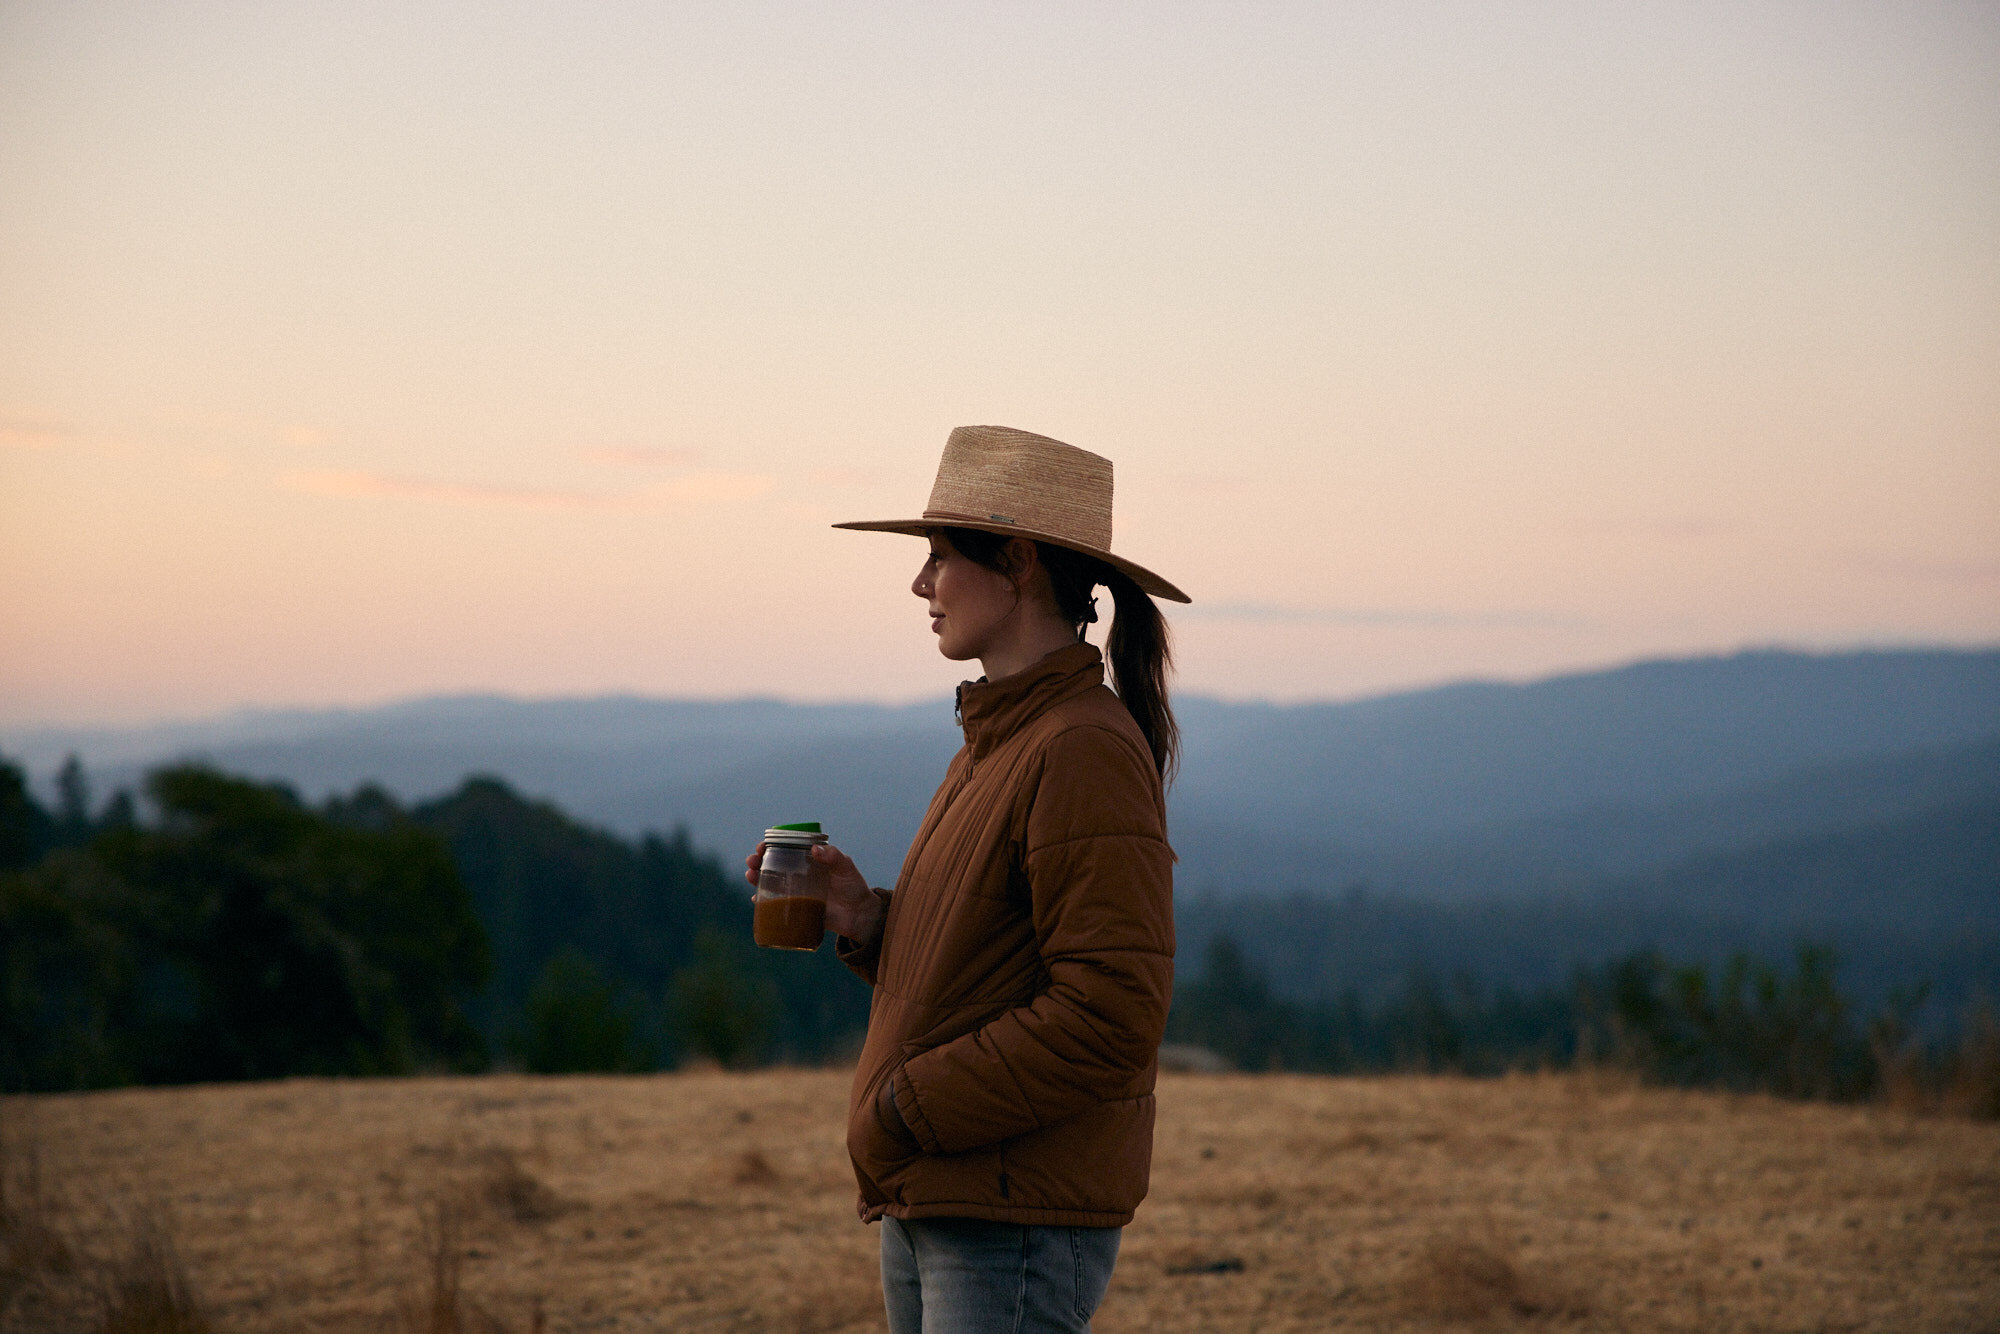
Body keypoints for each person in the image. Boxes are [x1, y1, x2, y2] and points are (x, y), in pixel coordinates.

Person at [744, 425, 1188, 1334]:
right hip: (949, 1196)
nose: (920, 584)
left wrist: (908, 1109)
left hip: (1006, 1210)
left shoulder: (1081, 748)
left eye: (940, 558)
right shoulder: (1000, 741)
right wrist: (866, 920)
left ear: (1017, 562)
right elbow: (994, 961)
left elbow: (1112, 1011)